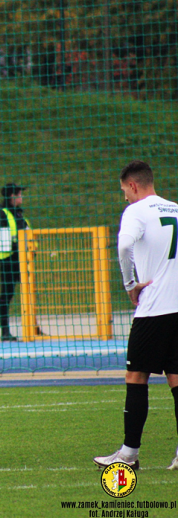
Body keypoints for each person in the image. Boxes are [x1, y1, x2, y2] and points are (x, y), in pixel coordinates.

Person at [93, 160, 178, 471]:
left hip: (154, 308)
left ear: (132, 185)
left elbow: (124, 244)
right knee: (176, 377)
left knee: (136, 376)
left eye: (123, 192)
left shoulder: (136, 211)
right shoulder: (175, 208)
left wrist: (130, 285)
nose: (124, 198)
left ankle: (128, 453)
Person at [0, 182, 30, 341]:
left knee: (29, 293)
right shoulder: (1, 215)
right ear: (12, 196)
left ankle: (32, 327)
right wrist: (18, 244)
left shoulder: (20, 215)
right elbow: (0, 238)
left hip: (22, 260)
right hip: (8, 261)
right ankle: (5, 331)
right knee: (6, 295)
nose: (22, 197)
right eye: (20, 194)